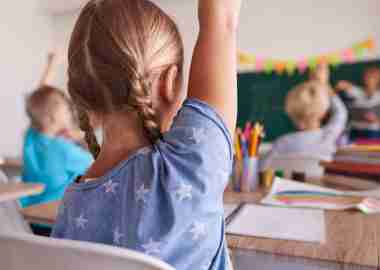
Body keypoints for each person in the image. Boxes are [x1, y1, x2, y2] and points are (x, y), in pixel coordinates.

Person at [51, 0, 241, 269]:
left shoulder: (71, 205)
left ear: (85, 100)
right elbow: (221, 22)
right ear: (169, 83)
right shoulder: (186, 169)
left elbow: (221, 22)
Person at [21, 54, 93, 208]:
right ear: (54, 118)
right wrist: (81, 138)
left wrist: (50, 67)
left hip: (29, 216)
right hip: (55, 221)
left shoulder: (31, 138)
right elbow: (98, 162)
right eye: (67, 109)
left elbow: (37, 104)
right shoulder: (65, 150)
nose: (70, 112)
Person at [261, 81, 348, 168]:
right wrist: (325, 86)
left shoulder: (283, 143)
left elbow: (262, 168)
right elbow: (341, 113)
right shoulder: (330, 136)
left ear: (291, 113)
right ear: (323, 112)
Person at [336, 67, 380, 139]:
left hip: (373, 132)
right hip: (355, 130)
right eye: (367, 77)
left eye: (374, 77)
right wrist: (342, 85)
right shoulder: (357, 91)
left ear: (379, 80)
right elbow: (344, 85)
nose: (370, 79)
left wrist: (377, 120)